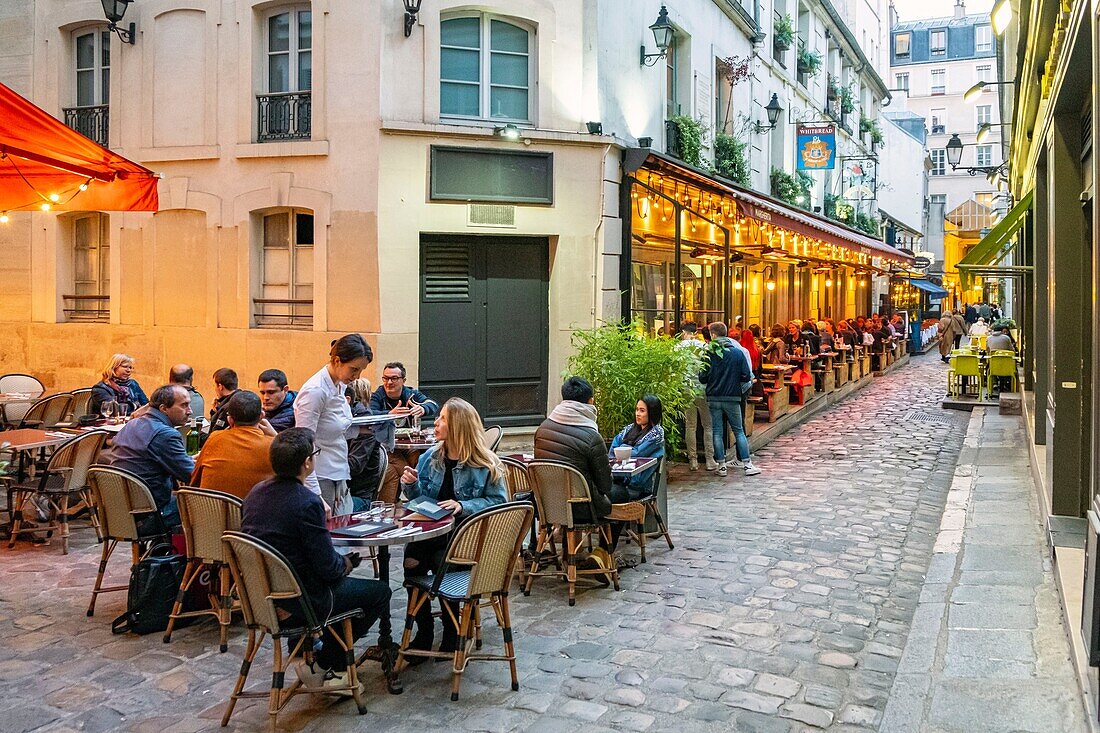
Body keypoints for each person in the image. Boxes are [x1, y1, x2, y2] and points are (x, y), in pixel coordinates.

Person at [241, 428, 390, 691]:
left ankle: (328, 660)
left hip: (260, 595)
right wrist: (346, 564)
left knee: (348, 589)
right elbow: (328, 569)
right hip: (302, 599)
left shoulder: (256, 493)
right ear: (307, 463)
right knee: (379, 592)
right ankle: (329, 664)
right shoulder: (307, 503)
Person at [399, 398, 508, 655]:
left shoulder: (484, 464)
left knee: (440, 561)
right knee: (411, 559)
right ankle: (424, 630)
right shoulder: (429, 457)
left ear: (458, 425)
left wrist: (463, 506)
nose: (435, 422)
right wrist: (411, 484)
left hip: (465, 537)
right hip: (431, 532)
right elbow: (419, 500)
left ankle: (451, 628)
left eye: (443, 419)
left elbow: (500, 503)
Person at [295, 334, 374, 515]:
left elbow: (332, 429)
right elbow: (303, 445)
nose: (357, 376)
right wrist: (316, 494)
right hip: (320, 477)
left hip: (337, 472)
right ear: (337, 361)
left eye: (361, 371)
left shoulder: (339, 385)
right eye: (354, 369)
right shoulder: (315, 391)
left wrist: (360, 430)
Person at [102, 384, 194, 527]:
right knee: (204, 506)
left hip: (119, 512)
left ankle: (162, 549)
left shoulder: (131, 424)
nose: (190, 411)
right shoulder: (165, 434)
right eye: (184, 406)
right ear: (163, 408)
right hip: (148, 515)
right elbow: (192, 475)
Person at [533, 376, 613, 522]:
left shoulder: (543, 429)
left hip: (548, 505)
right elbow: (605, 485)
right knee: (623, 493)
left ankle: (561, 534)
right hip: (582, 508)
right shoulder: (592, 437)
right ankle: (605, 545)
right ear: (591, 401)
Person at [370, 362, 440, 500]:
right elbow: (371, 414)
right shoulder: (378, 395)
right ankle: (406, 503)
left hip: (408, 446)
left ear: (403, 380)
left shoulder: (411, 394)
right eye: (386, 378)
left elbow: (432, 404)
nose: (389, 382)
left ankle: (420, 503)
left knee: (419, 461)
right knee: (405, 470)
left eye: (394, 378)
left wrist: (423, 408)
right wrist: (389, 415)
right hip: (387, 446)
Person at [700, 322, 760, 478]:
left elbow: (702, 377)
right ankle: (747, 464)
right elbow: (746, 376)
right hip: (732, 396)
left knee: (717, 432)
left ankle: (721, 466)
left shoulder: (708, 354)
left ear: (713, 335)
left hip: (714, 397)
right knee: (738, 430)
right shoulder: (737, 353)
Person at [190, 391, 276, 499]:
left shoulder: (214, 439)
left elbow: (194, 482)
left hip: (210, 514)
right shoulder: (274, 447)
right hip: (253, 514)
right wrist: (276, 437)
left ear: (230, 420)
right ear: (262, 416)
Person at [608, 395, 665, 501]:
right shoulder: (630, 428)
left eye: (642, 410)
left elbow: (636, 453)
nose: (637, 414)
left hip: (637, 487)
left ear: (652, 412)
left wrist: (623, 448)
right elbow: (613, 450)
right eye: (637, 409)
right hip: (619, 480)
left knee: (606, 495)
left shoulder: (656, 434)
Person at [675, 323, 716, 472]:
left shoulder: (678, 347)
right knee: (708, 425)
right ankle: (710, 459)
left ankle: (693, 460)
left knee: (690, 425)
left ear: (683, 332)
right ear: (695, 332)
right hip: (702, 388)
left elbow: (675, 369)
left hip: (686, 389)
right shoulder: (703, 346)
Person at [206, 368, 239, 439]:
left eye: (214, 385)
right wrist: (215, 411)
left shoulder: (227, 406)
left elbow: (214, 436)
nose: (214, 388)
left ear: (220, 387)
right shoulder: (239, 398)